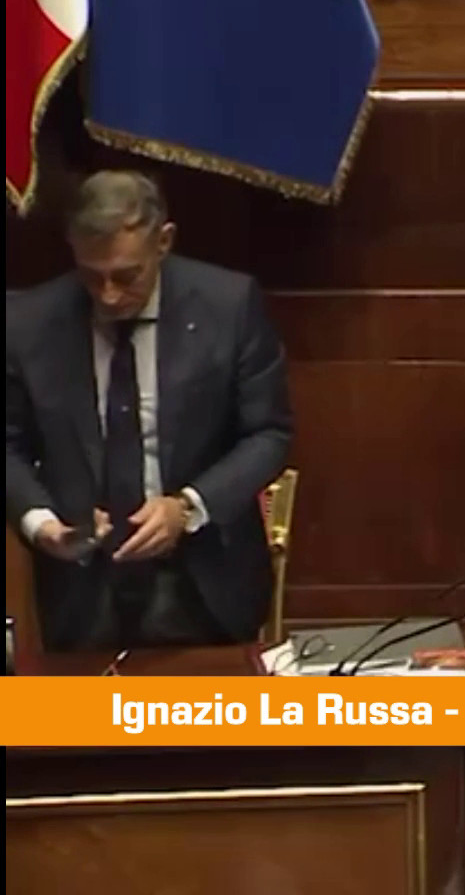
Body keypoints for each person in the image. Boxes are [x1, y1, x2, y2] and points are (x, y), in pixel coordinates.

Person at [5, 171, 292, 649]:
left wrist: (188, 507)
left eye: (126, 276)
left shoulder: (228, 305)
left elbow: (269, 433)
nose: (108, 295)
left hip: (202, 579)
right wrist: (41, 524)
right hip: (79, 590)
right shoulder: (27, 322)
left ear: (164, 242)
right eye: (92, 276)